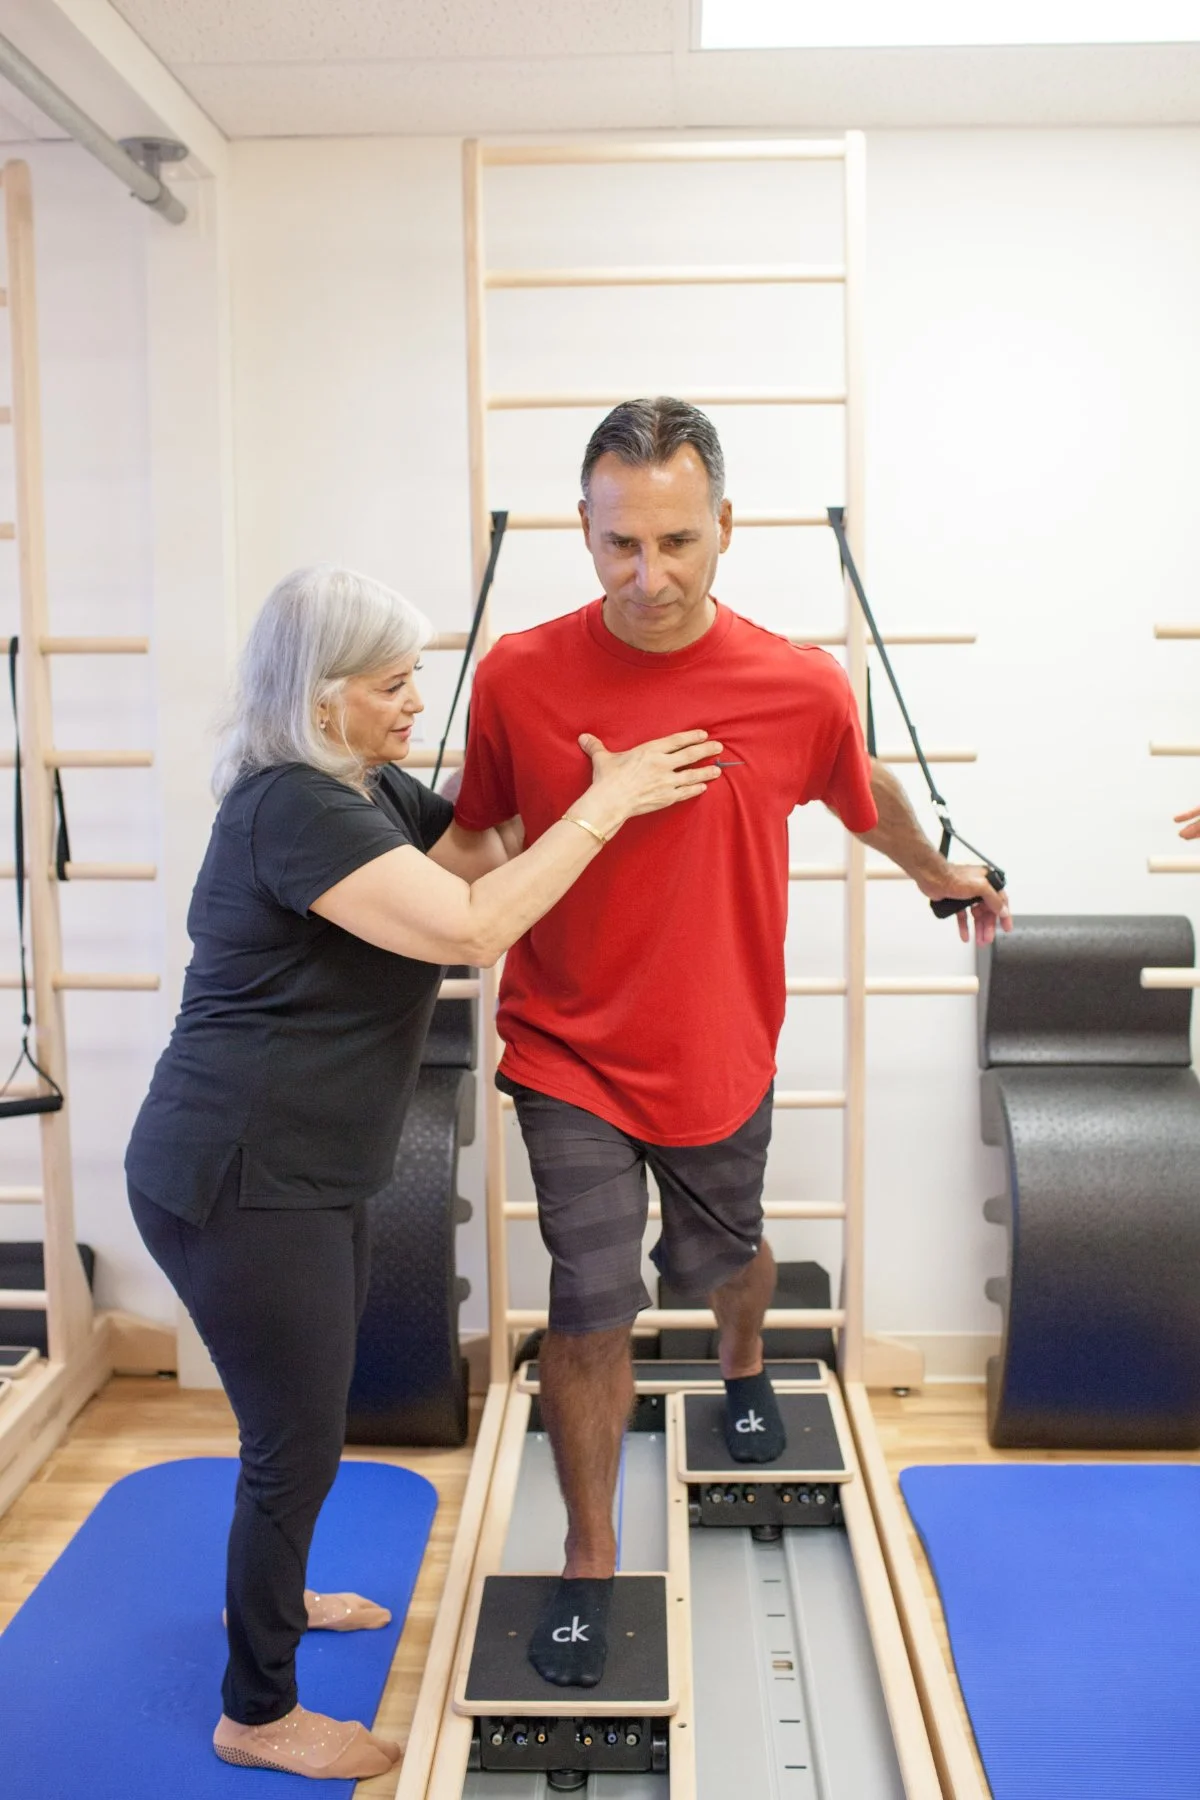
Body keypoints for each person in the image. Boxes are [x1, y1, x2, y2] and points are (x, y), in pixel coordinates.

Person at [124, 563, 724, 1779]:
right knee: (293, 1440)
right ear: (323, 693)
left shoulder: (363, 785)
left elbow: (466, 853)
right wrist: (605, 808)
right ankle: (259, 1710)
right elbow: (469, 928)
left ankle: (277, 1607)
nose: (416, 701)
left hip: (309, 1169)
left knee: (308, 1424)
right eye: (395, 684)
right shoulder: (291, 806)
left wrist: (554, 740)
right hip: (238, 1174)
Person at [451, 397, 1012, 1688]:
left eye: (677, 543)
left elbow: (861, 788)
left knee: (728, 1263)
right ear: (582, 531)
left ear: (726, 529)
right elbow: (475, 835)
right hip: (564, 1049)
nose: (648, 577)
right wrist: (371, 915)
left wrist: (942, 872)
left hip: (717, 1053)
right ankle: (588, 1561)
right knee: (589, 1297)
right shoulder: (519, 677)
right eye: (618, 546)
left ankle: (747, 1355)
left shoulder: (794, 680)